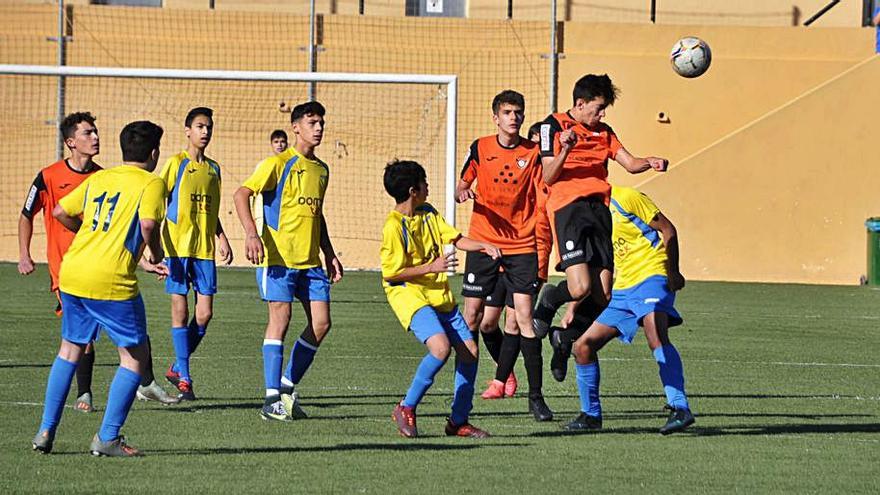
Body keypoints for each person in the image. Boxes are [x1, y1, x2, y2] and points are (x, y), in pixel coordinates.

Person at [31, 120, 169, 457]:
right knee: (135, 358)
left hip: (74, 272)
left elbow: (61, 210)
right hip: (111, 281)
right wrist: (157, 253)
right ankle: (107, 438)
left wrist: (91, 238)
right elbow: (149, 224)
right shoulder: (152, 182)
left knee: (69, 350)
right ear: (154, 153)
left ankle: (45, 431)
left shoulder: (100, 178)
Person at [532, 74, 669, 345]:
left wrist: (649, 161)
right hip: (569, 209)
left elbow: (629, 163)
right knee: (580, 287)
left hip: (599, 211)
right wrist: (566, 149)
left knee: (603, 295)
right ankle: (551, 297)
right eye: (598, 108)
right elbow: (548, 176)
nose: (602, 113)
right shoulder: (554, 125)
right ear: (580, 104)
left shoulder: (604, 132)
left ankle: (565, 338)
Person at [233, 101, 343, 421]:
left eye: (321, 122)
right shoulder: (277, 163)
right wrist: (251, 234)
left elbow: (316, 215)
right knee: (280, 320)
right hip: (277, 257)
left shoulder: (322, 170)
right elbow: (241, 194)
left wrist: (330, 252)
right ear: (296, 127)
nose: (318, 127)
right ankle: (271, 400)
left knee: (321, 323)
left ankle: (286, 387)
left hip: (310, 262)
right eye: (312, 122)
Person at [382, 159, 499, 438]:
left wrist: (482, 245)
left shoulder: (428, 213)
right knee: (440, 348)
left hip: (438, 295)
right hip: (408, 294)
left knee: (470, 353)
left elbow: (456, 239)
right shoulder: (393, 227)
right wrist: (431, 267)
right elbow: (392, 274)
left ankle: (458, 421)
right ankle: (406, 407)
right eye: (424, 182)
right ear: (413, 190)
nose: (428, 186)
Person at [563, 185, 694, 434]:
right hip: (624, 288)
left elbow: (668, 229)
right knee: (582, 346)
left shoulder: (626, 197)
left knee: (654, 331)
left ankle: (680, 407)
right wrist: (573, 307)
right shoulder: (588, 215)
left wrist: (673, 270)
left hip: (652, 275)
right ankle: (591, 415)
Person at [456, 91, 553, 421]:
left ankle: (536, 398)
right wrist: (463, 191)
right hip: (483, 243)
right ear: (495, 117)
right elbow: (461, 184)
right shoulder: (480, 147)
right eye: (508, 112)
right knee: (473, 318)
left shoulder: (533, 153)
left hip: (522, 246)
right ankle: (463, 393)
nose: (514, 117)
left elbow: (547, 185)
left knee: (523, 317)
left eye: (519, 112)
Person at [18, 112, 102, 413]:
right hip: (65, 270)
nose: (95, 137)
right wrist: (25, 254)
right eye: (88, 133)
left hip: (97, 266)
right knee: (81, 334)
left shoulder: (102, 178)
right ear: (70, 142)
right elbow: (27, 214)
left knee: (88, 334)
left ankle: (89, 391)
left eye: (96, 132)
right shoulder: (48, 176)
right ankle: (84, 394)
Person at [160, 107, 233, 401]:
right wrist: (152, 245)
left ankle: (178, 366)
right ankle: (186, 378)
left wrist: (222, 237)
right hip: (177, 249)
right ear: (188, 130)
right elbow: (157, 199)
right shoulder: (175, 164)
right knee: (181, 310)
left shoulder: (214, 169)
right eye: (200, 126)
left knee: (205, 314)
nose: (205, 132)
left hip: (204, 250)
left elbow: (211, 211)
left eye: (209, 127)